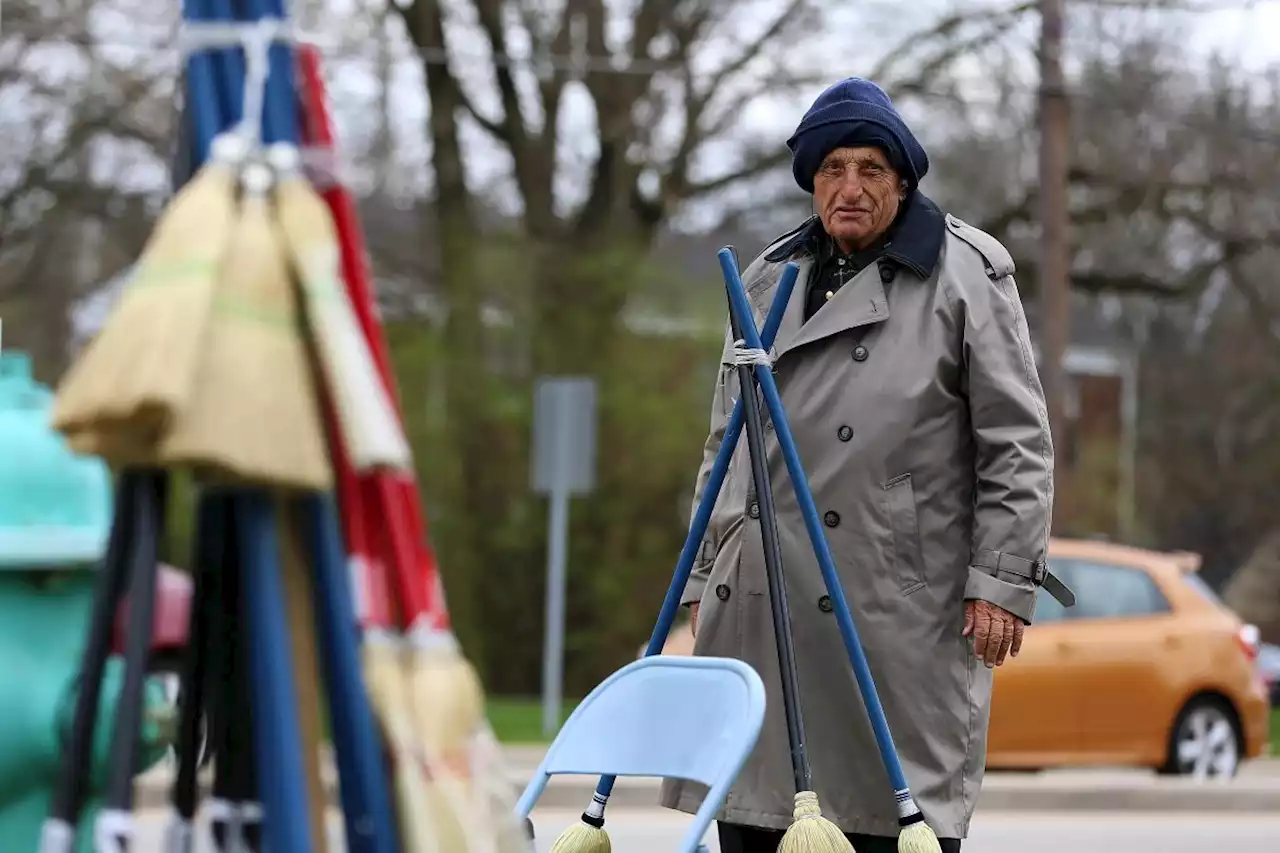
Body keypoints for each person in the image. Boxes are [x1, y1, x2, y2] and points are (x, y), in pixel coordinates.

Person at [658, 77, 1074, 853]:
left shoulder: (967, 273)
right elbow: (727, 441)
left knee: (888, 819)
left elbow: (1017, 441)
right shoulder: (762, 278)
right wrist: (703, 572)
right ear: (812, 180)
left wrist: (1004, 581)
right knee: (755, 815)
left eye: (870, 170)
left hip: (894, 605)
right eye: (833, 169)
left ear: (903, 179)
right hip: (761, 605)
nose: (849, 188)